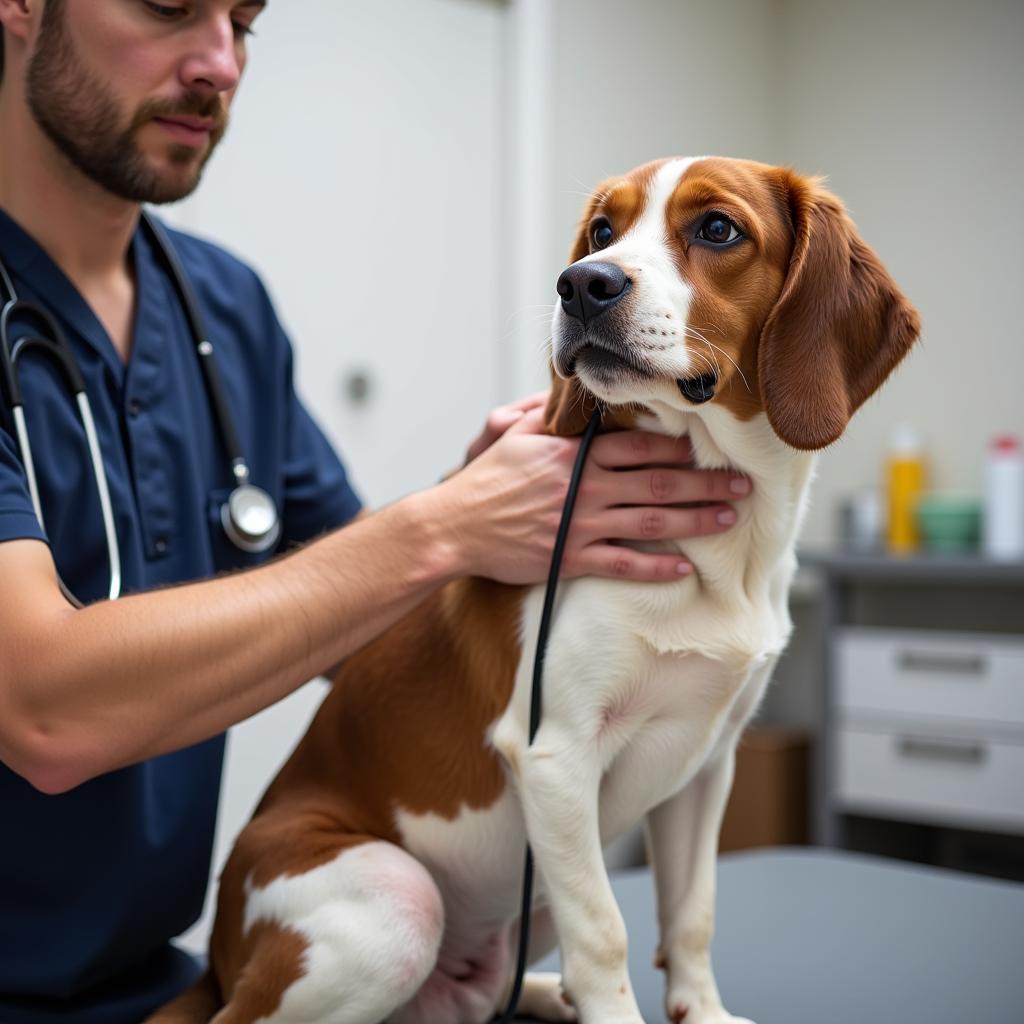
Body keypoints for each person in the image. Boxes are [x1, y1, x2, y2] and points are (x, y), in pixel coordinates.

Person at [0, 2, 752, 1021]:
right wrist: (444, 526)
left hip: (159, 984)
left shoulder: (223, 309)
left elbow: (369, 636)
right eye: (170, 4)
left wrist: (495, 521)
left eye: (245, 21)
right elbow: (42, 708)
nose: (221, 61)